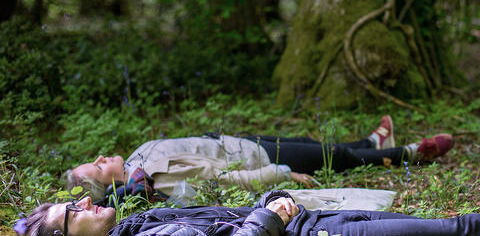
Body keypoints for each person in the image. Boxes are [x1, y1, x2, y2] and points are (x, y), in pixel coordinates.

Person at [64, 115, 454, 203]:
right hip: (256, 158)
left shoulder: (135, 158)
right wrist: (281, 173)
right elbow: (222, 180)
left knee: (315, 144)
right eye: (98, 166)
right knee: (336, 158)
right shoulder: (153, 181)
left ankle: (370, 140)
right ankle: (408, 154)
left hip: (244, 142)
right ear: (111, 184)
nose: (100, 157)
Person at [17, 190, 480, 236]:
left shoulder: (139, 222)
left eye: (75, 201)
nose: (83, 202)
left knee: (457, 225)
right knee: (455, 229)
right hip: (306, 235)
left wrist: (268, 203)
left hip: (307, 222)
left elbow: (228, 217)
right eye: (71, 215)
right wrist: (271, 218)